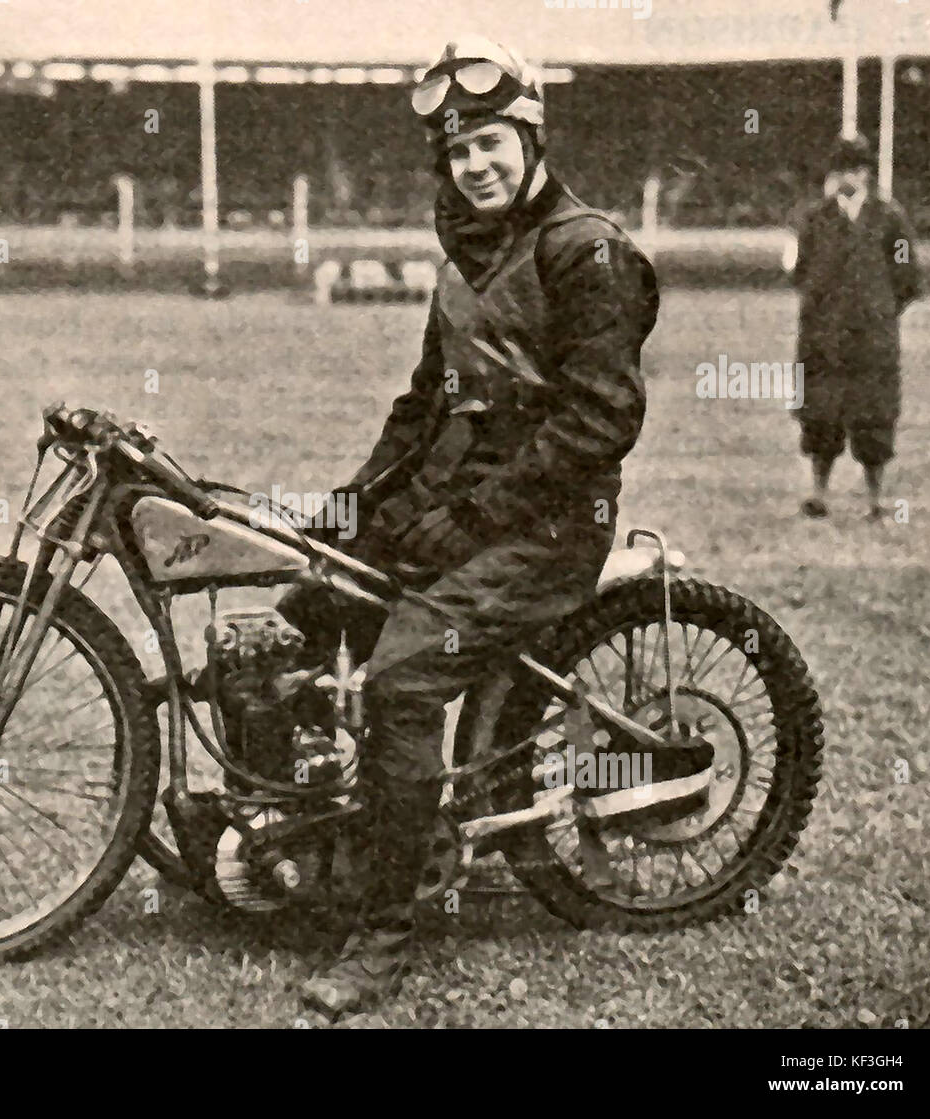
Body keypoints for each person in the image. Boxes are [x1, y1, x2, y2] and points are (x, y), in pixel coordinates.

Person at [276, 35, 661, 1019]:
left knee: (403, 677)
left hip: (546, 527)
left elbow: (599, 419)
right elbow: (420, 408)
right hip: (465, 506)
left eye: (491, 143)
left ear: (528, 136)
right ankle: (328, 836)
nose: (476, 166)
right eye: (458, 153)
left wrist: (475, 518)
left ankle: (385, 935)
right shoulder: (467, 252)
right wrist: (351, 511)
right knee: (311, 597)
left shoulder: (587, 250)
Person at [790, 134, 922, 522]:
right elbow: (800, 272)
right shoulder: (814, 219)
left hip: (872, 339)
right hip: (823, 337)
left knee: (874, 417)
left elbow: (908, 275)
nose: (846, 177)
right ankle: (818, 494)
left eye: (854, 168)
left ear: (866, 172)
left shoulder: (889, 218)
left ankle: (876, 500)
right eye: (840, 169)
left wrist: (877, 310)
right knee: (820, 415)